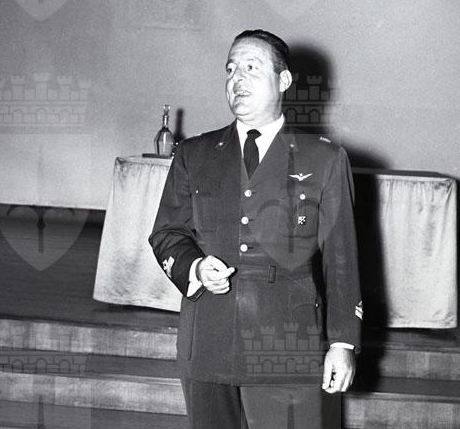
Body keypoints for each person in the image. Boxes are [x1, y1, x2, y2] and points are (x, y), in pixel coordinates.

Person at [149, 29, 362, 429]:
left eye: (251, 67)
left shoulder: (324, 159)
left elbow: (341, 260)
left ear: (284, 80)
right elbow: (167, 234)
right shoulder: (194, 154)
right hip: (208, 342)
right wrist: (195, 267)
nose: (237, 79)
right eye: (230, 69)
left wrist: (342, 341)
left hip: (287, 345)